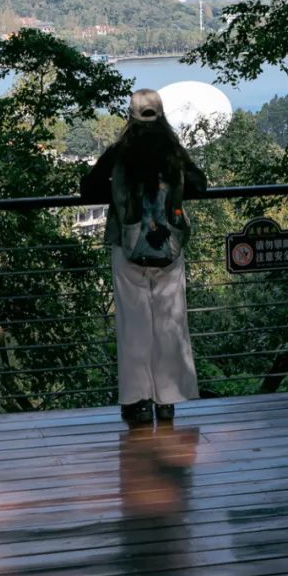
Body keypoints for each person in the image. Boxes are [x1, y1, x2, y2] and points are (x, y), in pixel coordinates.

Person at [78, 88, 208, 428]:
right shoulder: (173, 152)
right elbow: (201, 184)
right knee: (170, 324)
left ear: (131, 116)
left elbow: (88, 189)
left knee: (133, 326)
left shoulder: (120, 152)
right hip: (169, 248)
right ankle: (168, 402)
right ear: (161, 114)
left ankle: (137, 401)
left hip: (128, 247)